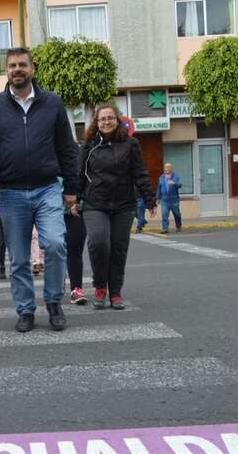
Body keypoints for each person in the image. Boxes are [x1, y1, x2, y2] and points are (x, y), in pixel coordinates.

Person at [0, 48, 79, 333]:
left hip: (48, 189)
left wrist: (71, 188)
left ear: (32, 69)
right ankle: (25, 310)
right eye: (12, 65)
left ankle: (54, 302)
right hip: (10, 193)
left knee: (56, 245)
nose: (17, 69)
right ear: (6, 71)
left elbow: (67, 149)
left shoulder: (52, 103)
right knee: (19, 257)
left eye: (22, 64)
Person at [79, 103, 157, 310]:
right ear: (97, 122)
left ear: (118, 120)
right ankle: (99, 287)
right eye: (102, 119)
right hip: (95, 203)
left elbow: (140, 173)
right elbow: (79, 175)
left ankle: (115, 292)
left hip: (123, 204)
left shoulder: (131, 144)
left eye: (110, 118)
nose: (106, 122)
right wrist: (73, 199)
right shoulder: (88, 145)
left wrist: (149, 199)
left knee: (118, 248)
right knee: (98, 243)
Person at [65, 200, 88, 305]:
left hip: (78, 207)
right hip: (51, 208)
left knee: (75, 249)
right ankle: (55, 283)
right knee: (54, 249)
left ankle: (76, 289)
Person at [157, 162, 183, 233]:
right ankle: (165, 229)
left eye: (168, 167)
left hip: (174, 199)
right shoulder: (161, 177)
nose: (167, 169)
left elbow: (180, 185)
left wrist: (174, 183)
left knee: (177, 214)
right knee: (164, 215)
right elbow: (159, 188)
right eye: (166, 167)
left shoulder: (176, 176)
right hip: (164, 200)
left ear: (171, 168)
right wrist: (158, 198)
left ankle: (178, 226)